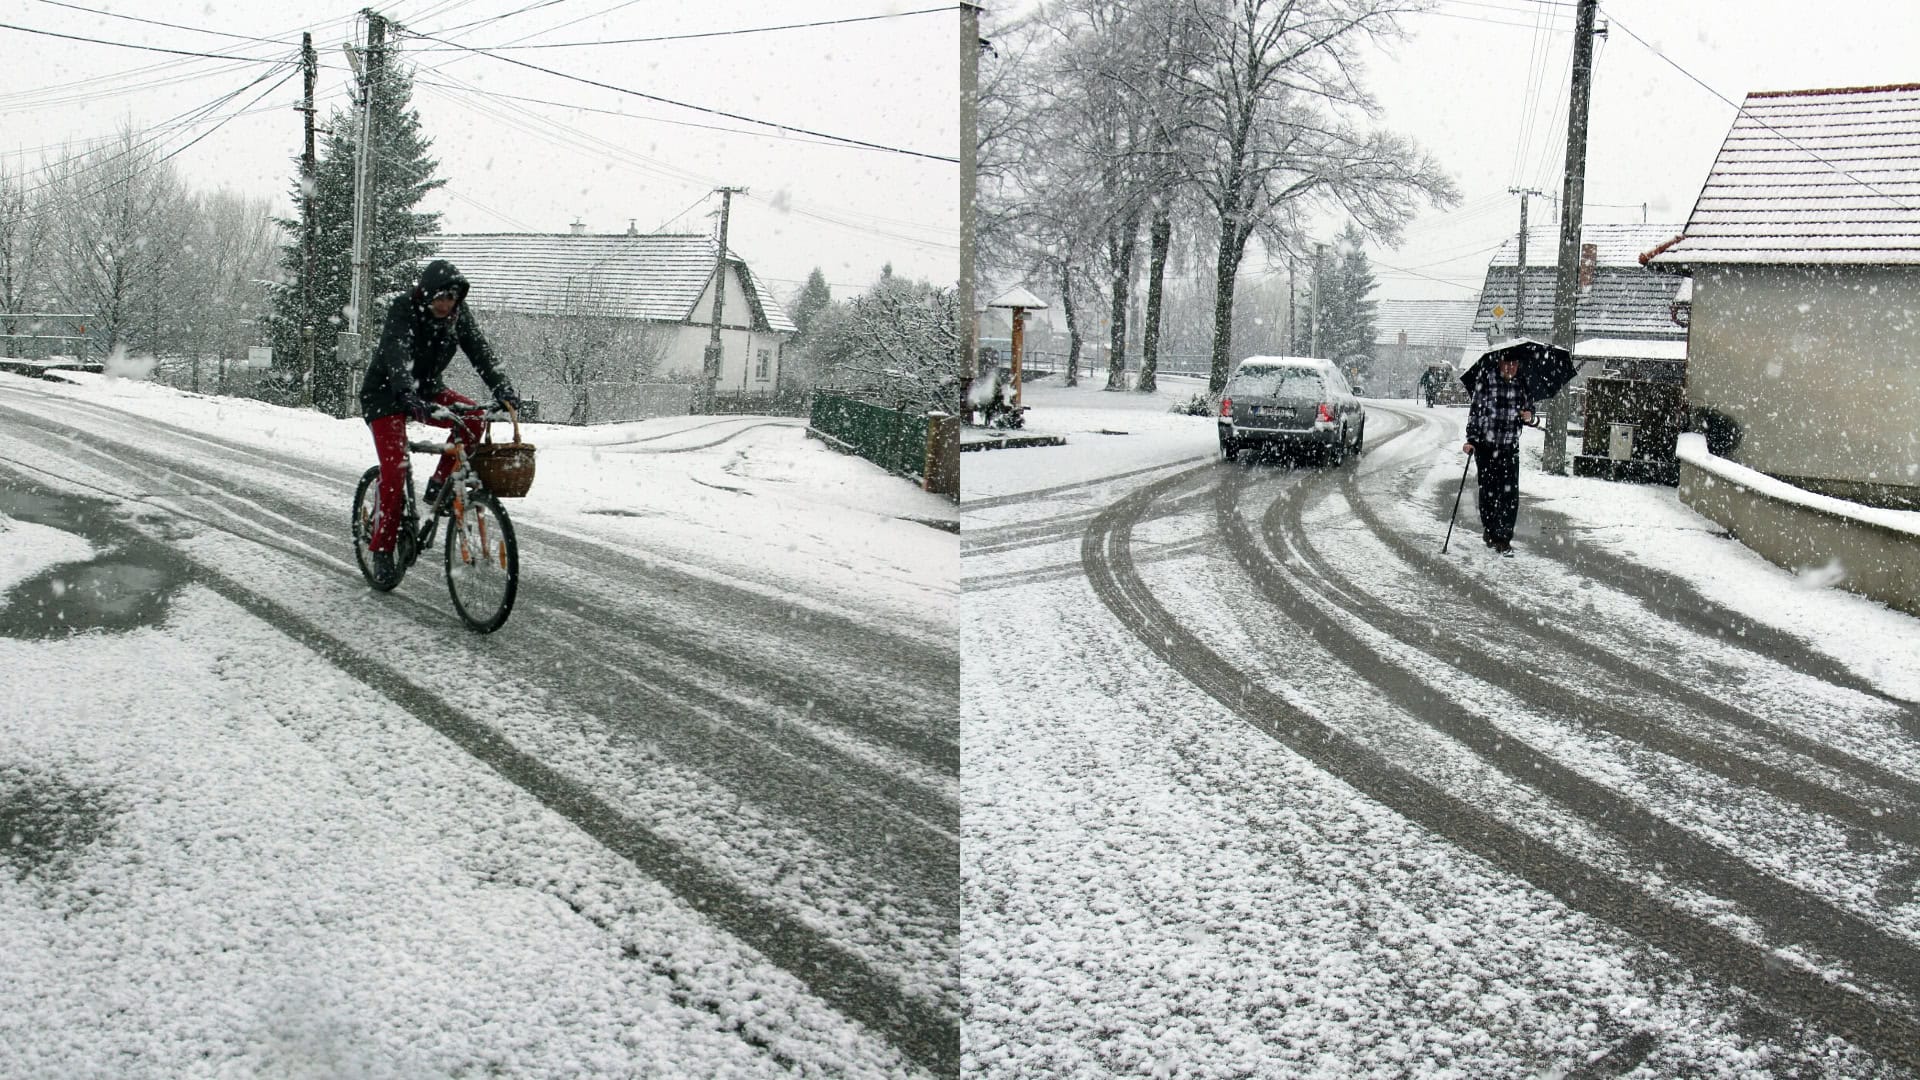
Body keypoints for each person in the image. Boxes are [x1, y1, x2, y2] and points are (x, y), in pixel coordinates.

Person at [358, 259, 520, 587]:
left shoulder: (458, 316)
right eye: (439, 298)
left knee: (474, 417)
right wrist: (406, 394)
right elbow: (396, 353)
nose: (445, 304)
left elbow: (481, 353)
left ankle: (438, 489)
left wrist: (502, 388)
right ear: (426, 295)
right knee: (396, 469)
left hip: (428, 389)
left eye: (451, 298)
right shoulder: (404, 309)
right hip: (386, 394)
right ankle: (381, 548)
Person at [1462, 353, 1533, 555]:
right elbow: (1475, 412)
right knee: (1488, 493)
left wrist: (1529, 415)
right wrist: (1471, 440)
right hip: (1486, 447)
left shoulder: (1522, 383)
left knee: (1509, 496)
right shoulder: (1486, 379)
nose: (1511, 367)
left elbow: (1529, 411)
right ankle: (1490, 530)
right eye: (1507, 363)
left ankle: (1503, 538)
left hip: (1509, 448)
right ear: (1500, 363)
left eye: (1514, 363)